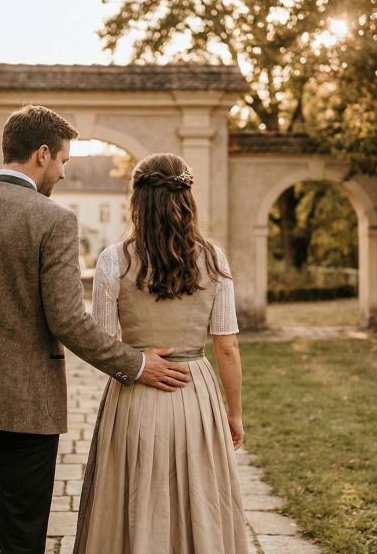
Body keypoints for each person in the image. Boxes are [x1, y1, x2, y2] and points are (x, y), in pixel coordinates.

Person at [0, 105, 193, 554]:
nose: (62, 173)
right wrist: (136, 364)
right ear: (42, 154)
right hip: (28, 399)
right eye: (62, 161)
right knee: (24, 525)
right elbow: (68, 319)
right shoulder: (53, 219)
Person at [74, 153, 248, 553]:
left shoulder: (112, 260)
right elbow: (227, 344)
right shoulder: (213, 259)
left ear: (136, 201)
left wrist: (135, 362)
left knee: (134, 493)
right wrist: (233, 413)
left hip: (134, 391)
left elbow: (103, 341)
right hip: (195, 392)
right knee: (198, 495)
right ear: (187, 198)